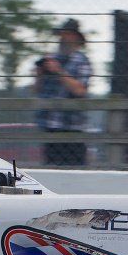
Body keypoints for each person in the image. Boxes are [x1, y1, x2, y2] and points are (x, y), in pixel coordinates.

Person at [35, 18, 93, 167]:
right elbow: (37, 90)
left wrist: (58, 71)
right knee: (51, 167)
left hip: (73, 126)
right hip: (51, 125)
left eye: (67, 34)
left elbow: (80, 90)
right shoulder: (51, 59)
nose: (63, 37)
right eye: (62, 34)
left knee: (76, 168)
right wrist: (40, 74)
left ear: (75, 37)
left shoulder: (82, 61)